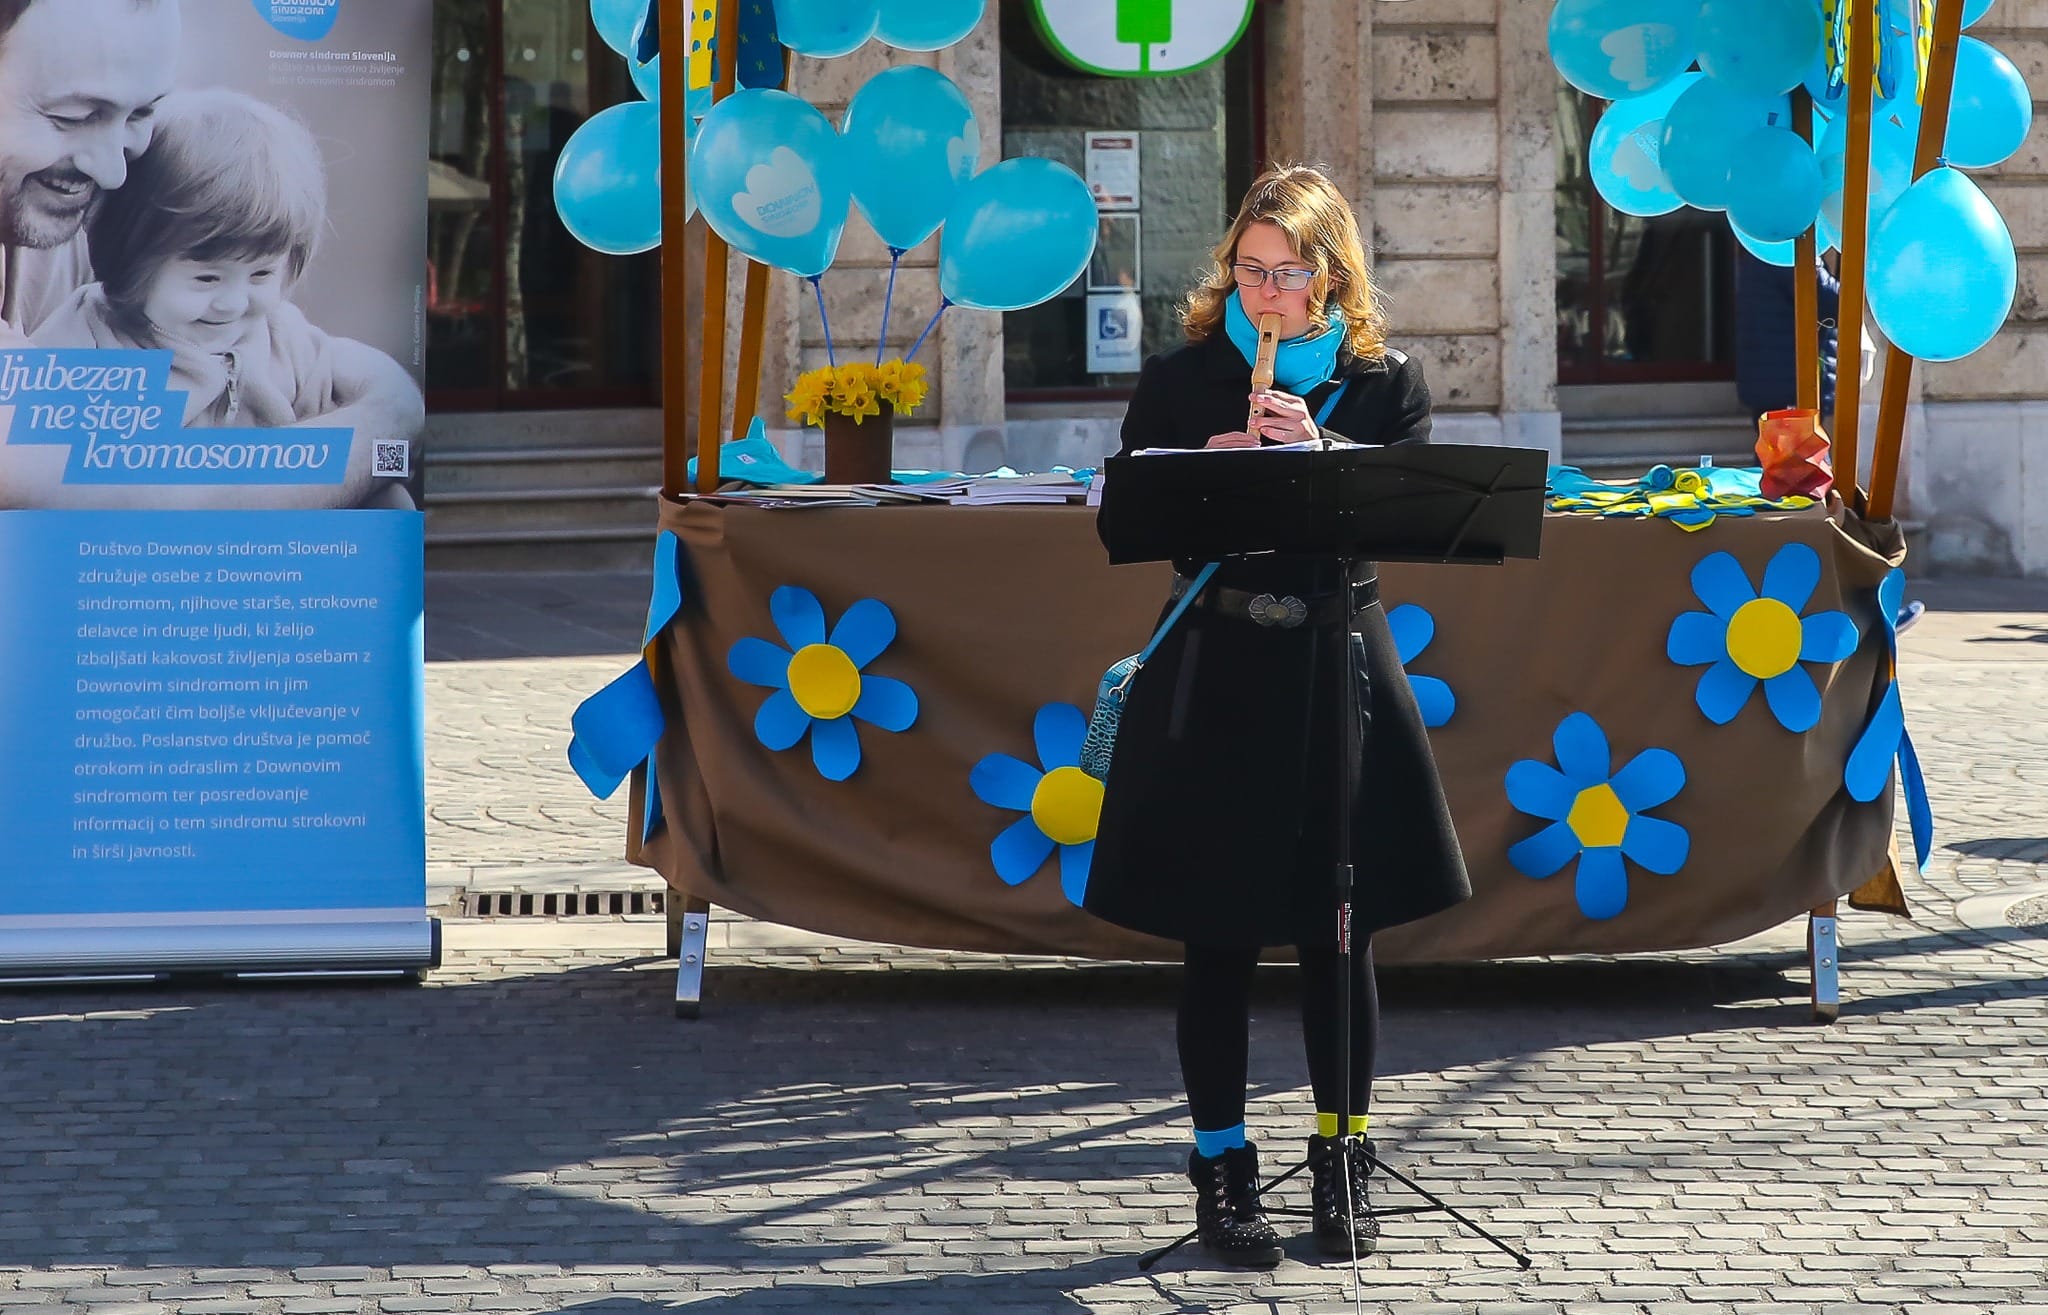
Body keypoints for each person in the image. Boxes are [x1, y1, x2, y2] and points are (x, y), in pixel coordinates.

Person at [1086, 164, 1471, 1268]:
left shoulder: (1382, 381)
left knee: (1338, 930)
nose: (1265, 295)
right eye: (1249, 271)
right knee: (1217, 932)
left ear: (1331, 276)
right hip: (1219, 664)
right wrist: (1204, 479)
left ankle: (1342, 1157)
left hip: (1338, 664)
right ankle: (1222, 1166)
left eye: (1288, 274)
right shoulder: (1181, 378)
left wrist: (1321, 453)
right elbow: (1124, 519)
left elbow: (1412, 514)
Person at [0, 0, 422, 509]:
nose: (113, 174)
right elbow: (130, 498)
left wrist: (394, 412)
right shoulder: (86, 337)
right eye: (72, 117)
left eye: (142, 113)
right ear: (131, 266)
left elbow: (372, 383)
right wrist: (385, 421)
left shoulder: (280, 337)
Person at [35, 89, 344, 428]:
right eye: (207, 278)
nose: (233, 303)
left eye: (261, 274)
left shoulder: (287, 341)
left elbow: (352, 429)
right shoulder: (82, 344)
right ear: (130, 262)